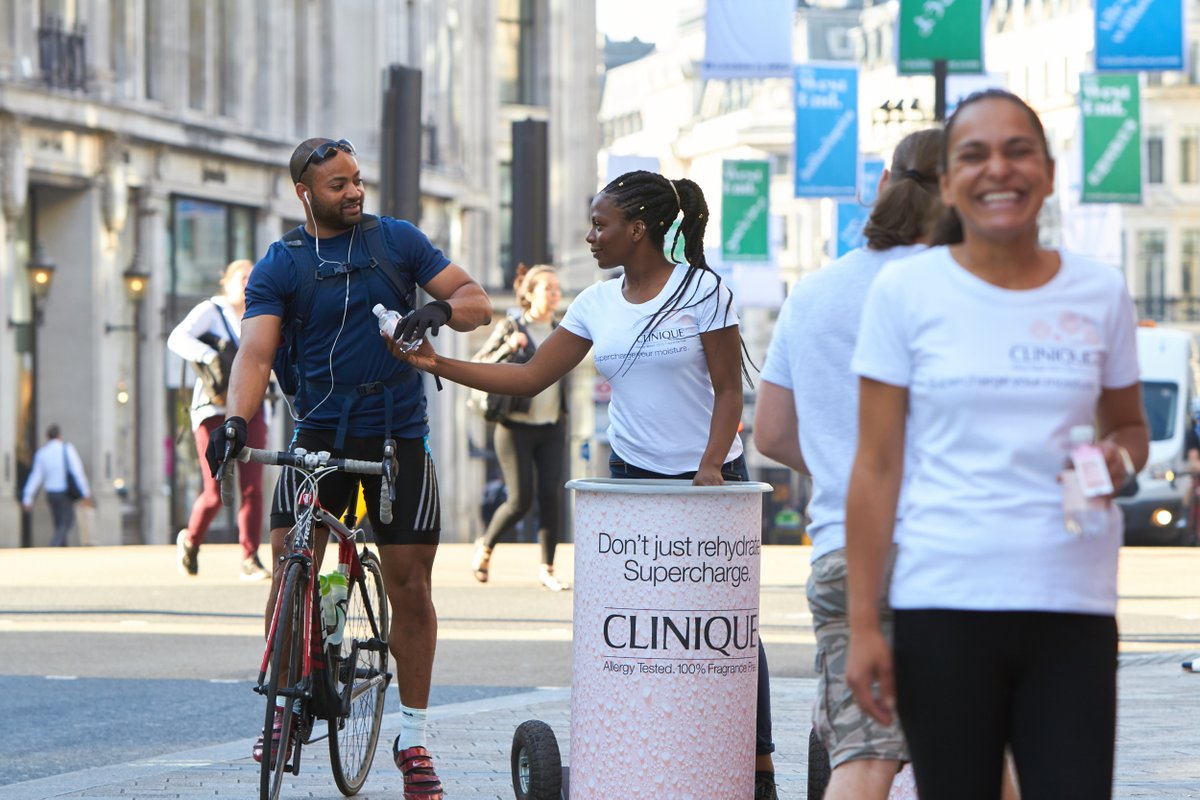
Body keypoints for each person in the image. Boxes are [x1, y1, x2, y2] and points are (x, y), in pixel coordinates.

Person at [388, 169, 781, 800]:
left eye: (601, 225)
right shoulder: (596, 303)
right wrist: (435, 364)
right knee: (637, 624)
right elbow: (529, 379)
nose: (591, 236)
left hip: (711, 484)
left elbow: (731, 389)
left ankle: (757, 762)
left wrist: (711, 465)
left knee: (722, 624)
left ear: (639, 229)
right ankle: (645, 744)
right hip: (631, 482)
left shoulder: (703, 292)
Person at [844, 89, 1149, 799]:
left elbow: (1131, 428)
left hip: (1071, 604)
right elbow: (877, 466)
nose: (998, 170)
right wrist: (864, 625)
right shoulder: (906, 293)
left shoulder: (1100, 292)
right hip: (943, 603)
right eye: (974, 155)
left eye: (1018, 151)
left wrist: (1118, 459)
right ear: (948, 183)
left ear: (1046, 170)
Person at [207, 136, 491, 799]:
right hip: (315, 437)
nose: (354, 191)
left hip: (397, 440)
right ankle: (286, 705)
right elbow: (254, 352)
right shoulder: (281, 262)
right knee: (288, 567)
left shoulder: (396, 241)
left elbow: (477, 300)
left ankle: (413, 737)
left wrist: (439, 309)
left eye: (357, 179)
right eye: (338, 185)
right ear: (305, 193)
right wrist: (234, 420)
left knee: (410, 588)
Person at [755, 128, 943, 799]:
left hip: (845, 549)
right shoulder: (959, 287)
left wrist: (845, 466)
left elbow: (771, 433)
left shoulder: (815, 292)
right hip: (949, 550)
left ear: (886, 182)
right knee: (977, 757)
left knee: (863, 760)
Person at [469, 264, 570, 591]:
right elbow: (482, 363)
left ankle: (547, 568)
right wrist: (509, 347)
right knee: (521, 500)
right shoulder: (512, 325)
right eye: (548, 288)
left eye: (557, 288)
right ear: (530, 293)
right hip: (515, 428)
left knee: (550, 496)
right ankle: (486, 545)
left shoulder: (563, 329)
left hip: (552, 424)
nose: (555, 294)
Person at [167, 259, 270, 580]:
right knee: (214, 489)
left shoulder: (261, 315)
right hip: (213, 409)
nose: (247, 283)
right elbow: (177, 338)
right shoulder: (211, 310)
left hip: (253, 409)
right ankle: (192, 540)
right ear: (226, 282)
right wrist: (210, 355)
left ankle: (250, 557)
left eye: (253, 278)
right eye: (242, 277)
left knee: (253, 486)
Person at [22, 424, 92, 547]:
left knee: (59, 523)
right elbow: (77, 471)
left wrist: (27, 497)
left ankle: (61, 551)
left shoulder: (42, 453)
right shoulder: (67, 449)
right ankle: (53, 547)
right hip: (63, 493)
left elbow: (36, 477)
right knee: (66, 522)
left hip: (51, 493)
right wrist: (85, 493)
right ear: (59, 436)